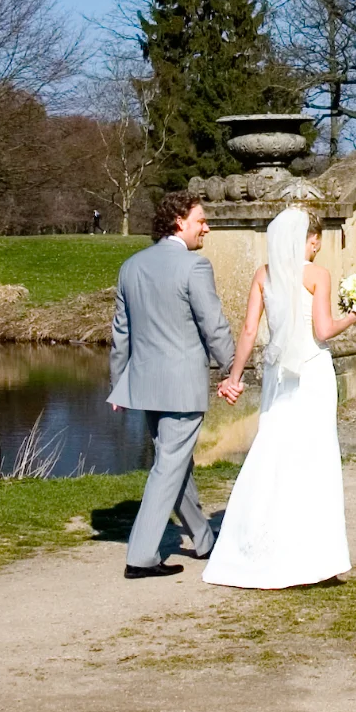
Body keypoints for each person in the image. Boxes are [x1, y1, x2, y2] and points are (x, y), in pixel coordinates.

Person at [203, 204, 356, 589]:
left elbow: (250, 331)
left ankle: (256, 547)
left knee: (272, 451)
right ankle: (316, 558)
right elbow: (323, 330)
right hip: (312, 373)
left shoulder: (263, 274)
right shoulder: (318, 274)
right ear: (313, 241)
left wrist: (234, 377)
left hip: (277, 376)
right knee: (314, 456)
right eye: (315, 240)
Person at [107, 189, 236, 579]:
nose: (206, 228)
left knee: (175, 462)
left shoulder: (131, 266)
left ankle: (204, 539)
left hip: (145, 385)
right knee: (168, 466)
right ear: (180, 221)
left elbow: (120, 335)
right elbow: (212, 324)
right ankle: (141, 556)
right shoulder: (194, 266)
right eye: (201, 220)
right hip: (181, 386)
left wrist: (118, 383)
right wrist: (234, 367)